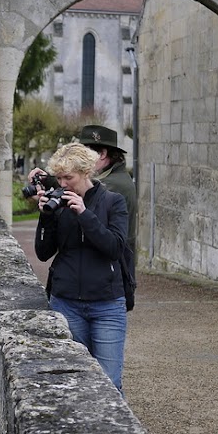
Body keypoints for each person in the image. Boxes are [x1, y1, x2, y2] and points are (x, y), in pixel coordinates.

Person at [34, 142, 129, 391]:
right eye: (59, 178)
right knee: (75, 379)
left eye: (68, 177)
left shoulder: (113, 202)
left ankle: (112, 431)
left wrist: (85, 215)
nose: (63, 184)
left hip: (107, 304)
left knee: (109, 381)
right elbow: (43, 253)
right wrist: (45, 217)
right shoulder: (59, 203)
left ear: (86, 172)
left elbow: (115, 248)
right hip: (66, 302)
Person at [77, 125, 137, 256]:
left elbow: (86, 193)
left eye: (85, 155)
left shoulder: (113, 183)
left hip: (114, 263)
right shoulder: (115, 176)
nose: (81, 162)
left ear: (103, 154)